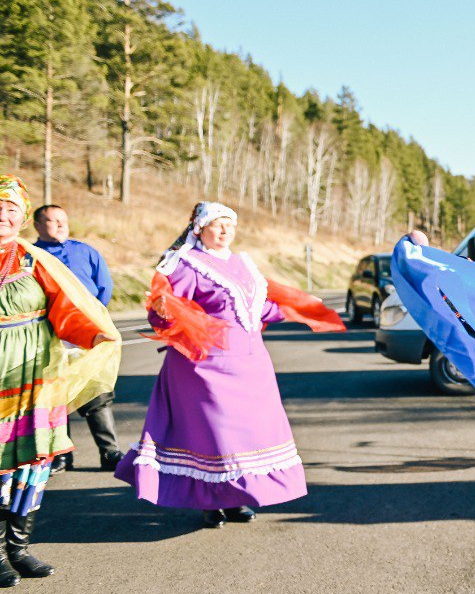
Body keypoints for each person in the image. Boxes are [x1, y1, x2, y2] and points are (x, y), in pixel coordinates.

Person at [114, 202, 342, 529]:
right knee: (214, 437)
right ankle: (211, 502)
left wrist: (297, 309)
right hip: (206, 367)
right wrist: (163, 312)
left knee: (246, 437)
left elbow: (256, 309)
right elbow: (163, 308)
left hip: (251, 365)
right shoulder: (185, 265)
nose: (225, 231)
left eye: (230, 225)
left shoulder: (242, 263)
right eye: (218, 225)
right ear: (199, 229)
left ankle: (235, 497)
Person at [0, 175, 118, 587]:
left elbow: (66, 311)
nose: (3, 215)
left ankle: (19, 548)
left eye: (12, 208)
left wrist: (94, 333)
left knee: (33, 462)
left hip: (39, 374)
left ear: (21, 217)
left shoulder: (36, 260)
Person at [32, 204, 122, 472]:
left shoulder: (86, 252)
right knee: (56, 393)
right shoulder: (31, 257)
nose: (60, 225)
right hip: (48, 335)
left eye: (63, 219)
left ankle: (110, 452)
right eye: (52, 221)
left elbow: (104, 288)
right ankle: (61, 455)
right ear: (37, 225)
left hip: (87, 331)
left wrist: (91, 320)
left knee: (96, 391)